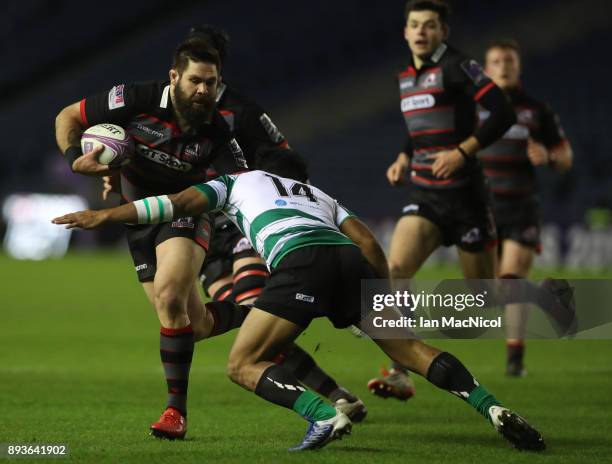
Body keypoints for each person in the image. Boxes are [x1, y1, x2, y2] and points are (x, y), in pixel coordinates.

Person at [52, 149, 545, 452]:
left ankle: (324, 412)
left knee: (242, 364)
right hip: (347, 259)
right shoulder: (317, 192)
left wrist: (106, 216)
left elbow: (175, 205)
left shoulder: (235, 182)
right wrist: (385, 299)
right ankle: (492, 407)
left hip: (300, 261)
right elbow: (371, 245)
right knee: (410, 352)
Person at [55, 38, 249, 439]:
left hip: (184, 215)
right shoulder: (134, 99)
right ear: (175, 76)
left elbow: (245, 185)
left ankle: (175, 413)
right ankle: (262, 312)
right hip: (136, 219)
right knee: (192, 324)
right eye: (196, 80)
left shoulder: (218, 132)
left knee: (169, 293)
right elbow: (67, 115)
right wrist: (76, 156)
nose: (203, 91)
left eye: (211, 83)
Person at [185, 26, 366, 420]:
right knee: (247, 314)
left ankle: (330, 399)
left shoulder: (242, 113)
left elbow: (286, 164)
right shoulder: (169, 111)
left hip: (244, 224)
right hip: (204, 231)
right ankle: (337, 396)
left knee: (256, 309)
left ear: (218, 67)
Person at [369, 0, 516, 399]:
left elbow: (503, 112)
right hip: (426, 196)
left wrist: (463, 151)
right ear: (405, 32)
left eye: (429, 25)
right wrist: (403, 156)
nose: (420, 32)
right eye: (414, 25)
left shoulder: (458, 66)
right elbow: (418, 127)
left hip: (466, 199)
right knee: (395, 267)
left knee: (482, 300)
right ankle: (403, 368)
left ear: (442, 32)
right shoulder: (405, 76)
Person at [481, 38, 573, 376]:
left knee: (511, 278)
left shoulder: (537, 111)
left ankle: (514, 360)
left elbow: (565, 158)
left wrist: (548, 156)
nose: (504, 66)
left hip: (521, 206)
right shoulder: (475, 110)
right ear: (487, 70)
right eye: (497, 61)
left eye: (509, 61)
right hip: (484, 209)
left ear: (518, 67)